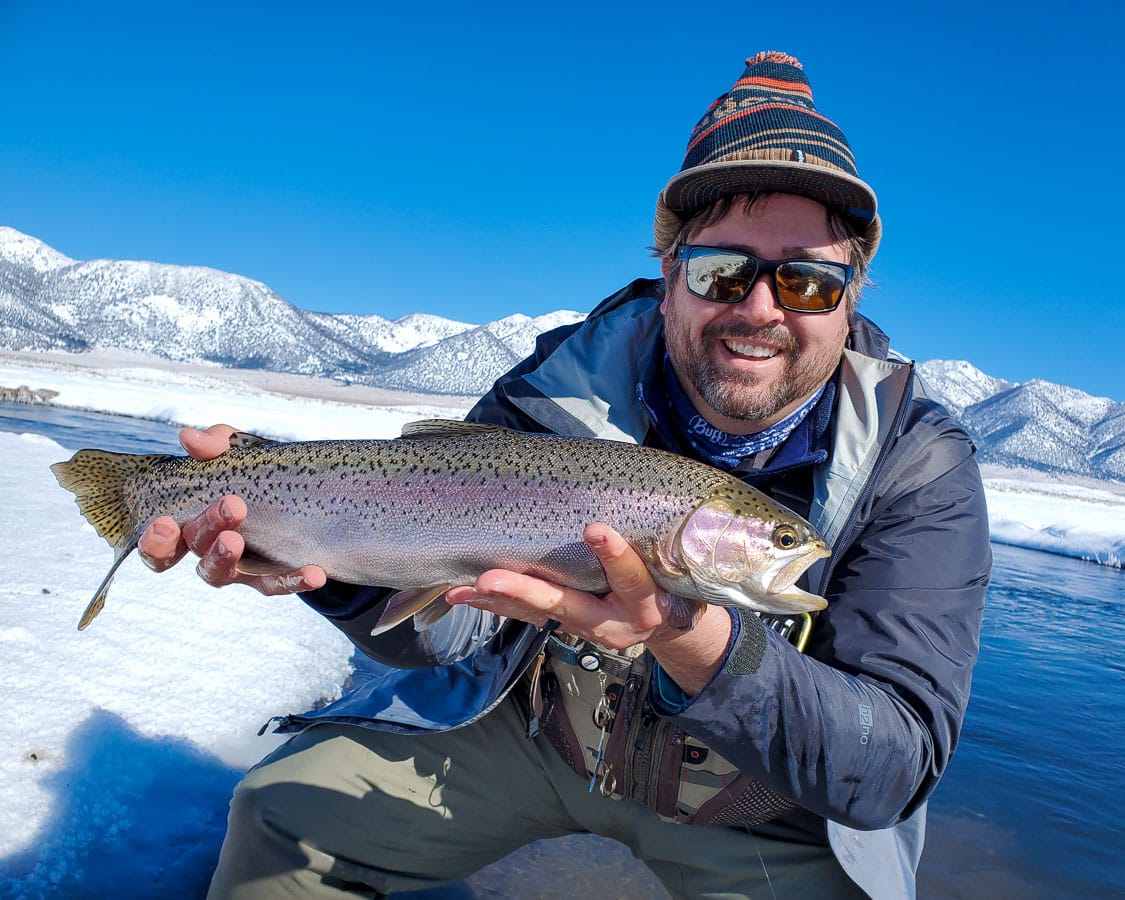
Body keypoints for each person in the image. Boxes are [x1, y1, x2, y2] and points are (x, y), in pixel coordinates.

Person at [140, 51, 990, 899]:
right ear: (669, 278)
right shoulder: (553, 393)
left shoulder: (917, 468)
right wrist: (320, 558)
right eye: (722, 271)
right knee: (282, 815)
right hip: (541, 734)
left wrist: (693, 640)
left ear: (853, 296)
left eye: (807, 280)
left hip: (757, 803)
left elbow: (889, 769)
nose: (759, 308)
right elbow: (449, 635)